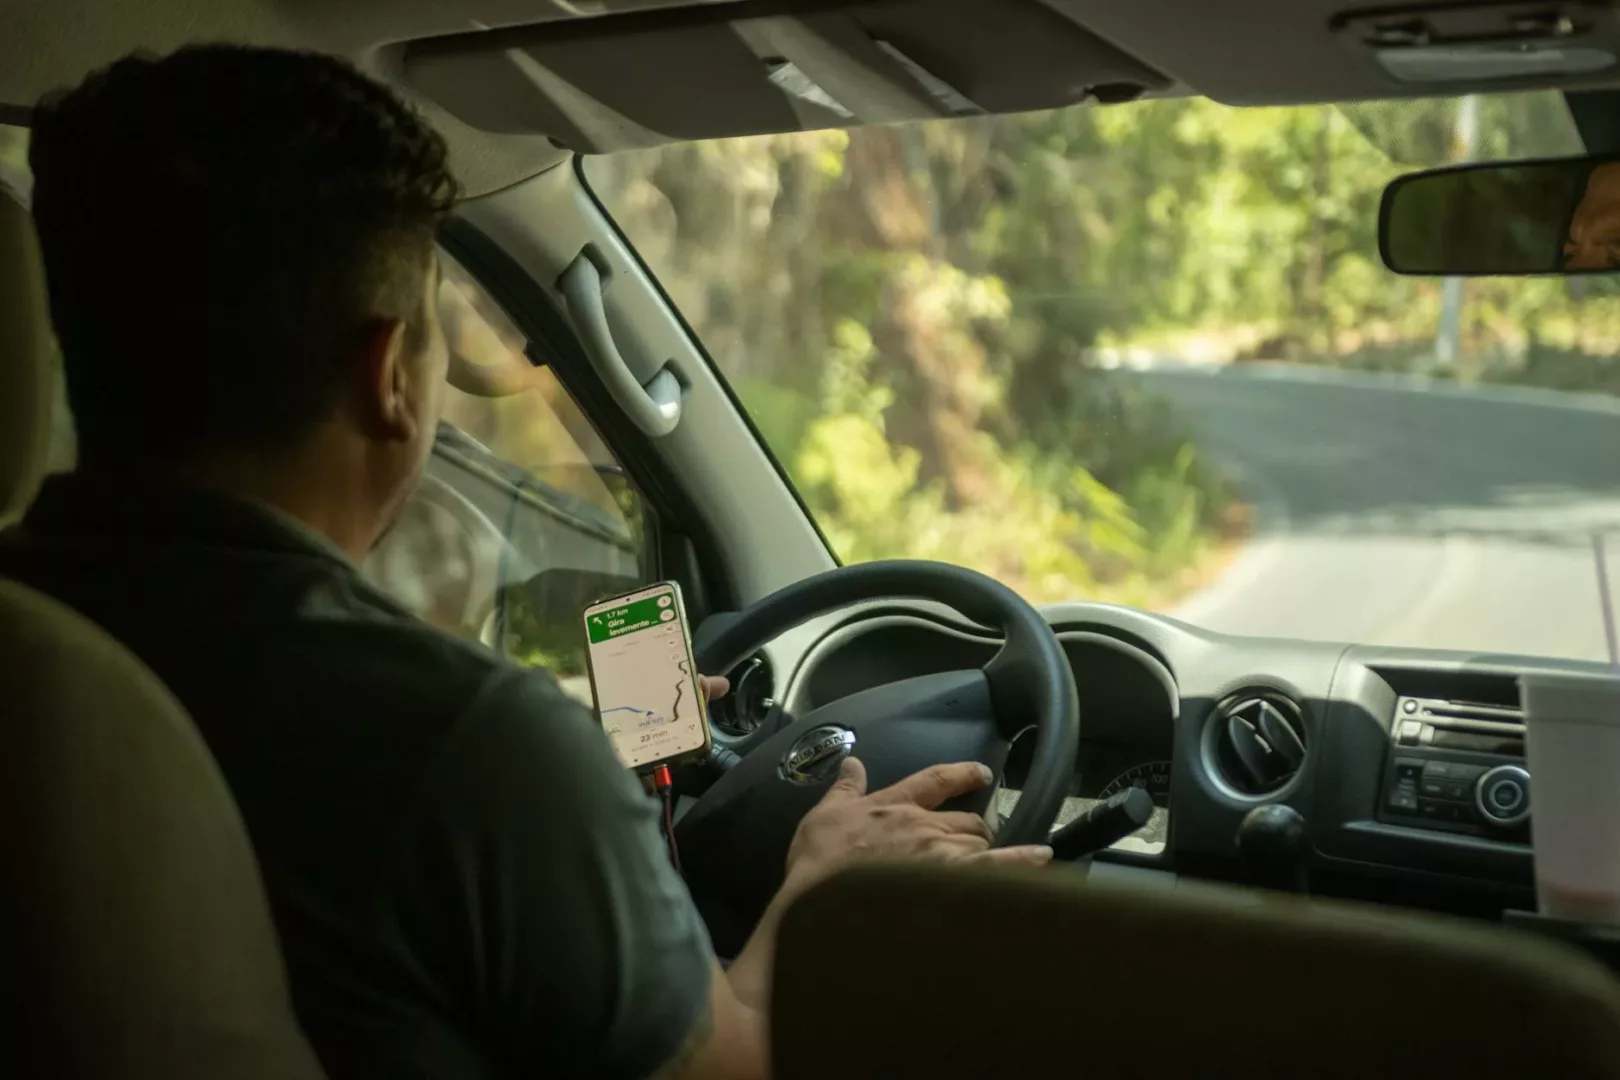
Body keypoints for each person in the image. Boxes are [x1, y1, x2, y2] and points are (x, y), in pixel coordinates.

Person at [0, 45, 1052, 1079]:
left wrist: (562, 766)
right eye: (433, 338)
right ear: (391, 378)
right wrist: (820, 892)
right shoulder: (470, 750)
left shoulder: (41, 642)